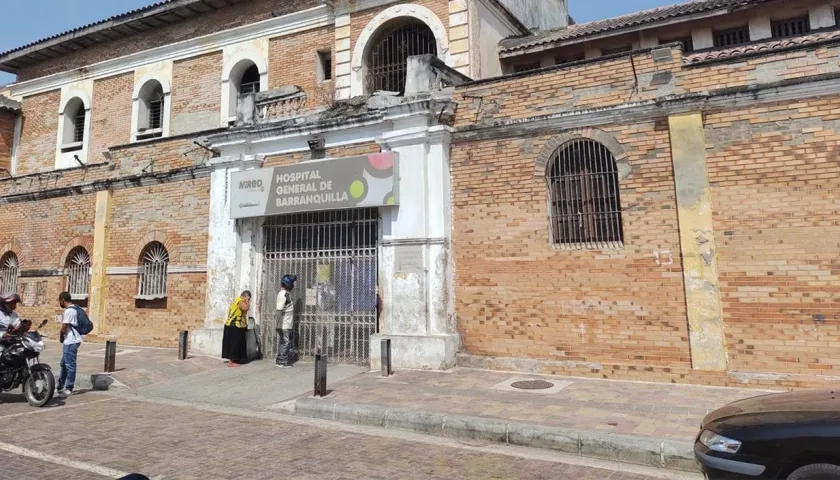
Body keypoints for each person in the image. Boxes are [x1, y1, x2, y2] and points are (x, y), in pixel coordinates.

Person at [57, 291, 83, 397]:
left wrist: (61, 336)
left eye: (60, 301)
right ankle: (60, 386)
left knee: (69, 365)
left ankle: (69, 388)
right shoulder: (75, 308)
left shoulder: (69, 311)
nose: (59, 303)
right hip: (71, 340)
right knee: (64, 363)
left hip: (71, 341)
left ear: (63, 300)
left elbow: (64, 327)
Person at [222, 290, 251, 367]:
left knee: (236, 343)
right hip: (234, 325)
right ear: (245, 296)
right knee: (235, 344)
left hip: (233, 325)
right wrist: (247, 302)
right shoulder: (241, 301)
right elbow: (245, 308)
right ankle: (231, 361)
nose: (248, 300)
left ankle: (236, 359)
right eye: (248, 298)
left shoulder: (236, 300)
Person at [275, 275, 297, 368]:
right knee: (285, 342)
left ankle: (280, 359)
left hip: (287, 323)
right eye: (292, 283)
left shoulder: (286, 294)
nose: (294, 285)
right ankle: (282, 361)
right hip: (284, 324)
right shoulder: (282, 294)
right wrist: (278, 325)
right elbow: (279, 310)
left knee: (284, 342)